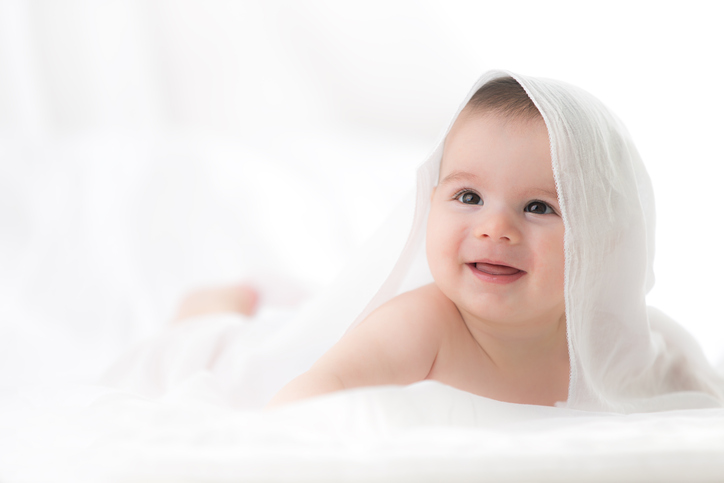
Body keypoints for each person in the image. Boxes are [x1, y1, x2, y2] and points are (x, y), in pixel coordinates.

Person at [169, 71, 724, 413]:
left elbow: (699, 387)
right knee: (216, 346)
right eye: (468, 197)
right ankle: (219, 302)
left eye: (538, 208)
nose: (494, 229)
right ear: (429, 202)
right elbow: (313, 391)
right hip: (265, 364)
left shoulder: (623, 339)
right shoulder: (424, 325)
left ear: (604, 241)